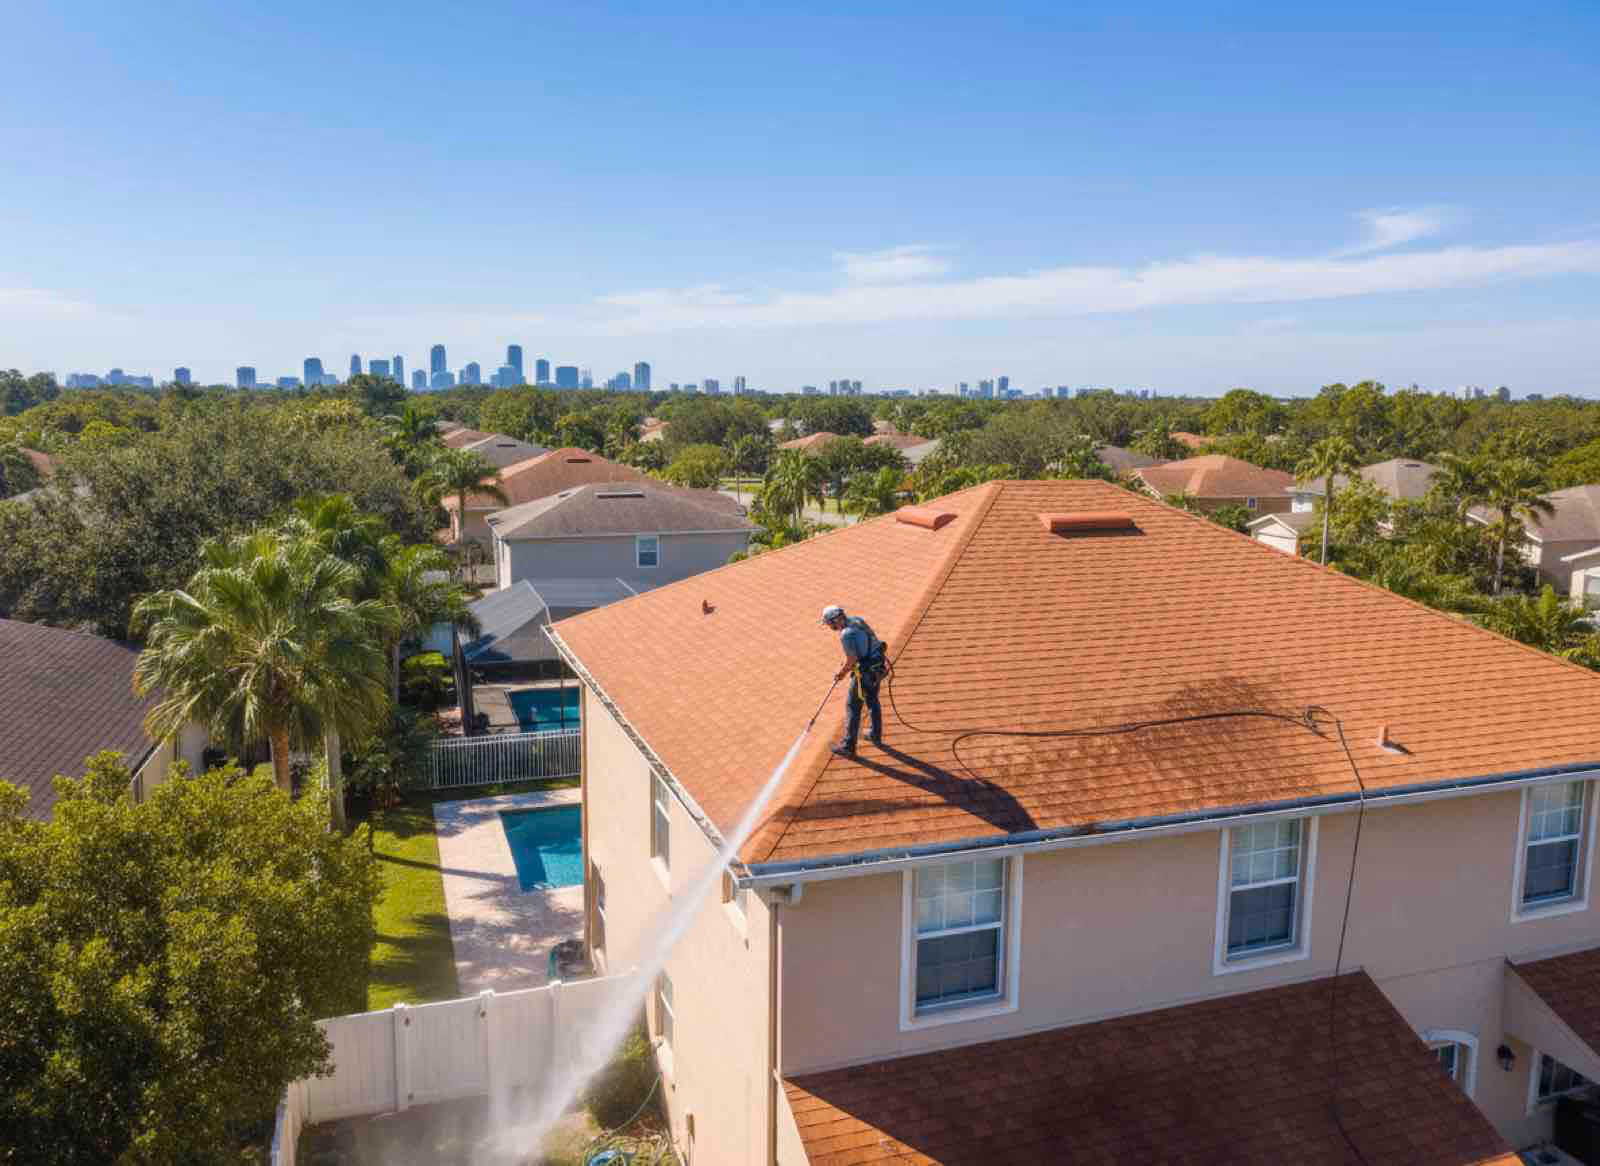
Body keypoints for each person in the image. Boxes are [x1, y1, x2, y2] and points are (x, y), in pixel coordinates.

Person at [821, 604, 886, 755]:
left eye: (829, 623)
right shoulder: (857, 620)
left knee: (853, 706)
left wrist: (842, 672)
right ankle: (875, 734)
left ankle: (848, 746)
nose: (830, 627)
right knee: (872, 700)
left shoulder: (846, 634)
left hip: (865, 674)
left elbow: (852, 659)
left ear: (836, 620)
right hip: (877, 667)